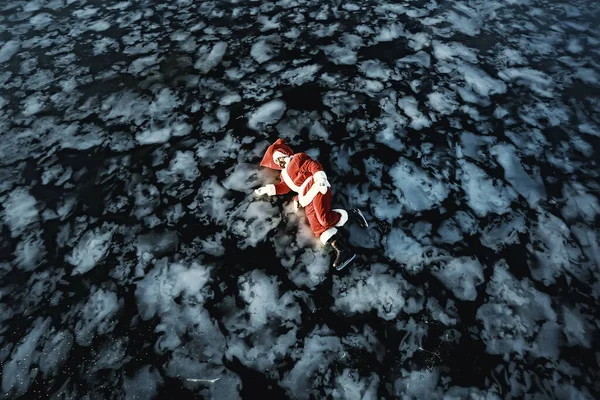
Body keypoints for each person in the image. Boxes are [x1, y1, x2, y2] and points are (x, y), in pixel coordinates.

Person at [254, 138, 367, 270]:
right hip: (306, 196)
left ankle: (352, 214)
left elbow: (313, 165)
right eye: (276, 161)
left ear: (284, 153)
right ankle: (342, 250)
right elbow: (284, 187)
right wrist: (268, 189)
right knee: (317, 226)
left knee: (324, 219)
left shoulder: (297, 158)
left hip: (317, 186)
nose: (279, 162)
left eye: (279, 158)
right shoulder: (284, 175)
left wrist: (321, 179)